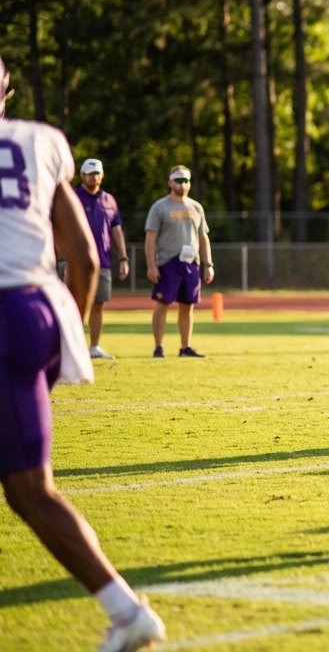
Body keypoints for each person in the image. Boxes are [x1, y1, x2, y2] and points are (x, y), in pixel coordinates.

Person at [0, 56, 166, 651]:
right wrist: (62, 330)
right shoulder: (40, 140)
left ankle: (127, 612)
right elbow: (87, 259)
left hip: (5, 312)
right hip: (41, 310)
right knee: (24, 486)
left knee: (29, 489)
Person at [144, 165, 213, 358]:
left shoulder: (196, 207)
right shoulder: (160, 207)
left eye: (186, 181)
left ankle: (185, 347)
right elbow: (150, 238)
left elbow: (203, 238)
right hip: (167, 261)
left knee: (187, 305)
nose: (182, 184)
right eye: (179, 180)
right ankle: (158, 347)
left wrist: (208, 264)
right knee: (162, 304)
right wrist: (151, 265)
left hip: (190, 262)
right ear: (170, 182)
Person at [74, 158, 128, 360]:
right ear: (82, 176)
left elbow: (116, 230)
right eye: (89, 173)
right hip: (76, 260)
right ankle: (73, 348)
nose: (93, 177)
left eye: (96, 173)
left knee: (98, 304)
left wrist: (123, 258)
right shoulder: (73, 197)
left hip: (102, 261)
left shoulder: (109, 200)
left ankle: (94, 347)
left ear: (102, 176)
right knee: (75, 304)